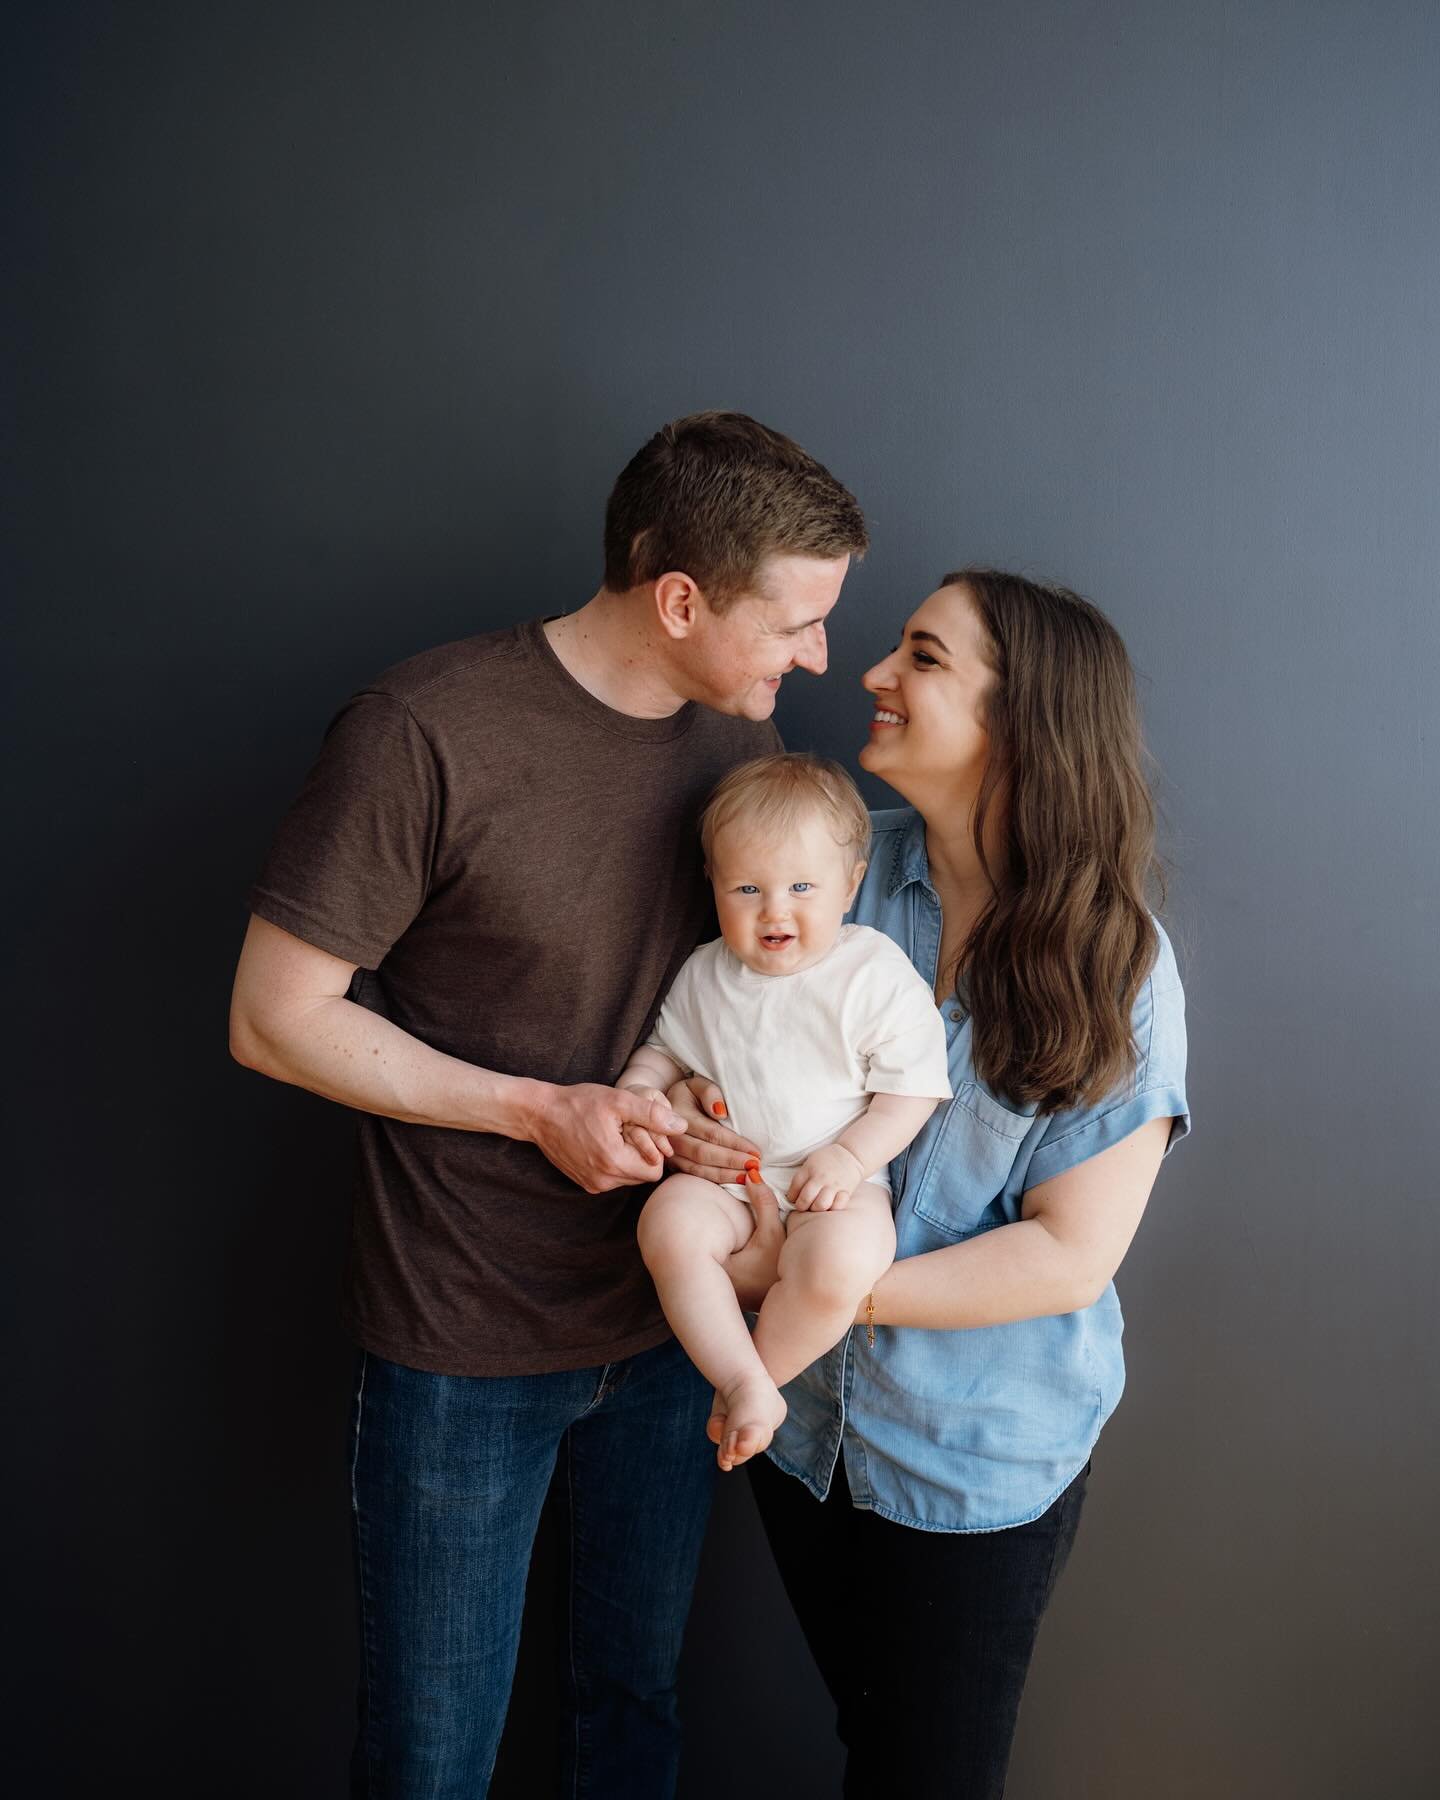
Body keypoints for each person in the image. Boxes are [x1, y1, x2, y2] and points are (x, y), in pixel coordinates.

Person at [226, 411, 867, 1799]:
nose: (817, 658)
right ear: (681, 599)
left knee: (630, 1718)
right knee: (430, 1756)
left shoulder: (741, 743)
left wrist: (712, 1096)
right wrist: (536, 1109)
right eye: (797, 621)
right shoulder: (424, 732)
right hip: (462, 1335)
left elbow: (725, 990)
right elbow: (274, 1022)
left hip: (667, 1327)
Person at [666, 569, 1190, 1799]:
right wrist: (695, 1109)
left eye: (924, 658)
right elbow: (733, 1033)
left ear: (1023, 725)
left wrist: (820, 1283)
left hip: (971, 1469)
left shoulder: (1118, 971)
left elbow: (1069, 1254)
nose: (871, 675)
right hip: (801, 1439)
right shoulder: (837, 878)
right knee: (871, 1739)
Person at [619, 754, 950, 1472]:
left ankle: (756, 1380)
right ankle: (740, 1378)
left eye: (803, 886)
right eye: (747, 888)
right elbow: (664, 1051)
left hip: (839, 1183)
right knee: (666, 1224)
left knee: (840, 1265)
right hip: (732, 1179)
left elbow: (914, 1088)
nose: (775, 909)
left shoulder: (871, 969)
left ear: (850, 885)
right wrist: (643, 1091)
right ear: (714, 887)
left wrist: (854, 1157)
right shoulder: (706, 972)